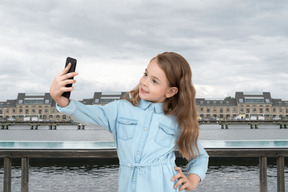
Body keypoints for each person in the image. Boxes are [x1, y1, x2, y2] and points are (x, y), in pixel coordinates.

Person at [50, 52, 209, 192]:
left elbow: (200, 157)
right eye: (145, 74)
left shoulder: (177, 121)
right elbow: (89, 114)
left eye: (155, 81)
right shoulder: (120, 109)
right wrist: (60, 99)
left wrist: (192, 181)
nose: (145, 82)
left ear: (171, 91)